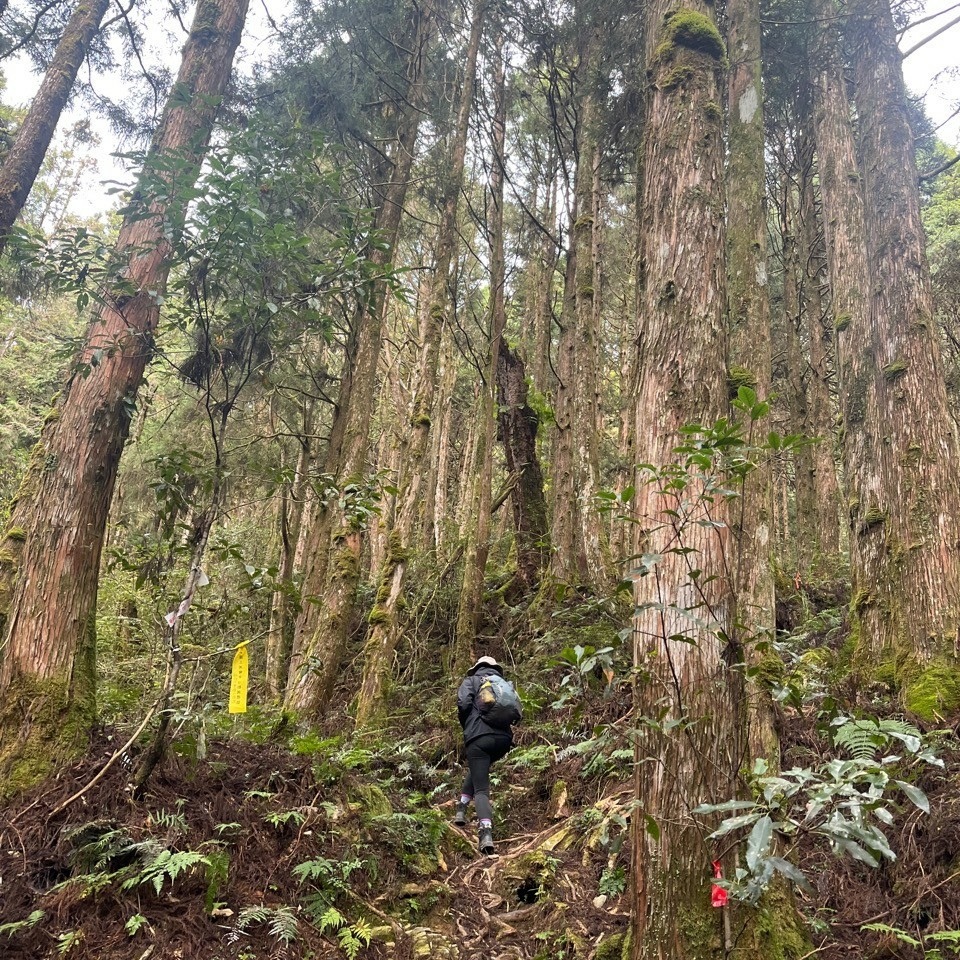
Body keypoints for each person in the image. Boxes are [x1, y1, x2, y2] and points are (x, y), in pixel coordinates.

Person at [454, 655, 518, 855]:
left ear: (477, 667)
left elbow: (463, 704)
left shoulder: (471, 681)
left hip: (478, 738)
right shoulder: (503, 684)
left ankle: (486, 833)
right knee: (478, 770)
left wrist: (468, 725)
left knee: (481, 789)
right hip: (503, 741)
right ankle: (461, 808)